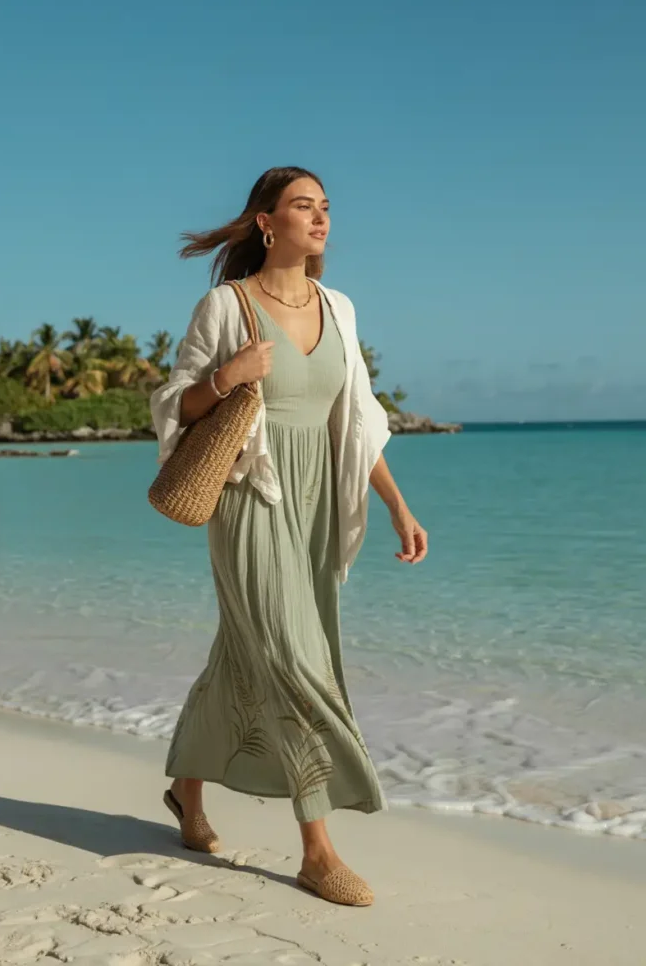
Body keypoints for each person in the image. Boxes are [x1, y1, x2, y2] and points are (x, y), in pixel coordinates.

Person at [150, 166, 428, 907]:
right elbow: (174, 405)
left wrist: (398, 507)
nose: (321, 218)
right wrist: (228, 377)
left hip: (319, 506)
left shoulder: (339, 308)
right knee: (294, 660)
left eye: (326, 207)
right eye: (304, 206)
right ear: (267, 223)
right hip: (253, 497)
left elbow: (357, 421)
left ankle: (186, 793)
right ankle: (317, 851)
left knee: (246, 655)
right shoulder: (227, 305)